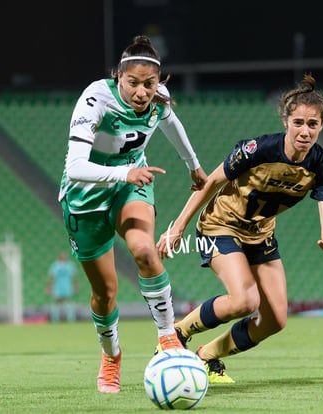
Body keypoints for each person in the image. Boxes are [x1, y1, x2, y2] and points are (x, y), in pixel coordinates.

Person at [156, 74, 323, 384]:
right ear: (286, 120)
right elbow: (210, 183)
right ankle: (175, 335)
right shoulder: (258, 149)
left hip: (260, 236)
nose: (304, 131)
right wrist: (176, 229)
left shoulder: (320, 163)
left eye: (312, 124)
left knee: (275, 320)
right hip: (220, 225)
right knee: (245, 300)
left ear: (321, 125)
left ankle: (205, 357)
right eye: (298, 122)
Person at [58, 35, 208, 393]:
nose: (142, 92)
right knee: (105, 292)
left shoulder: (159, 100)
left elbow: (173, 125)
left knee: (143, 249)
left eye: (149, 84)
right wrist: (124, 172)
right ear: (118, 77)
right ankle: (111, 357)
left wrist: (194, 166)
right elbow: (77, 166)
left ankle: (168, 337)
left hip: (132, 184)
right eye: (133, 83)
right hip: (85, 196)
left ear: (159, 83)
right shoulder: (95, 98)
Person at [45, 251, 78, 322]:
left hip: (67, 285)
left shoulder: (70, 265)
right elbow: (52, 276)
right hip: (58, 285)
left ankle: (71, 318)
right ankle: (55, 319)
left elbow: (73, 276)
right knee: (57, 301)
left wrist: (75, 285)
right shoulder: (55, 265)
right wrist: (49, 286)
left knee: (68, 300)